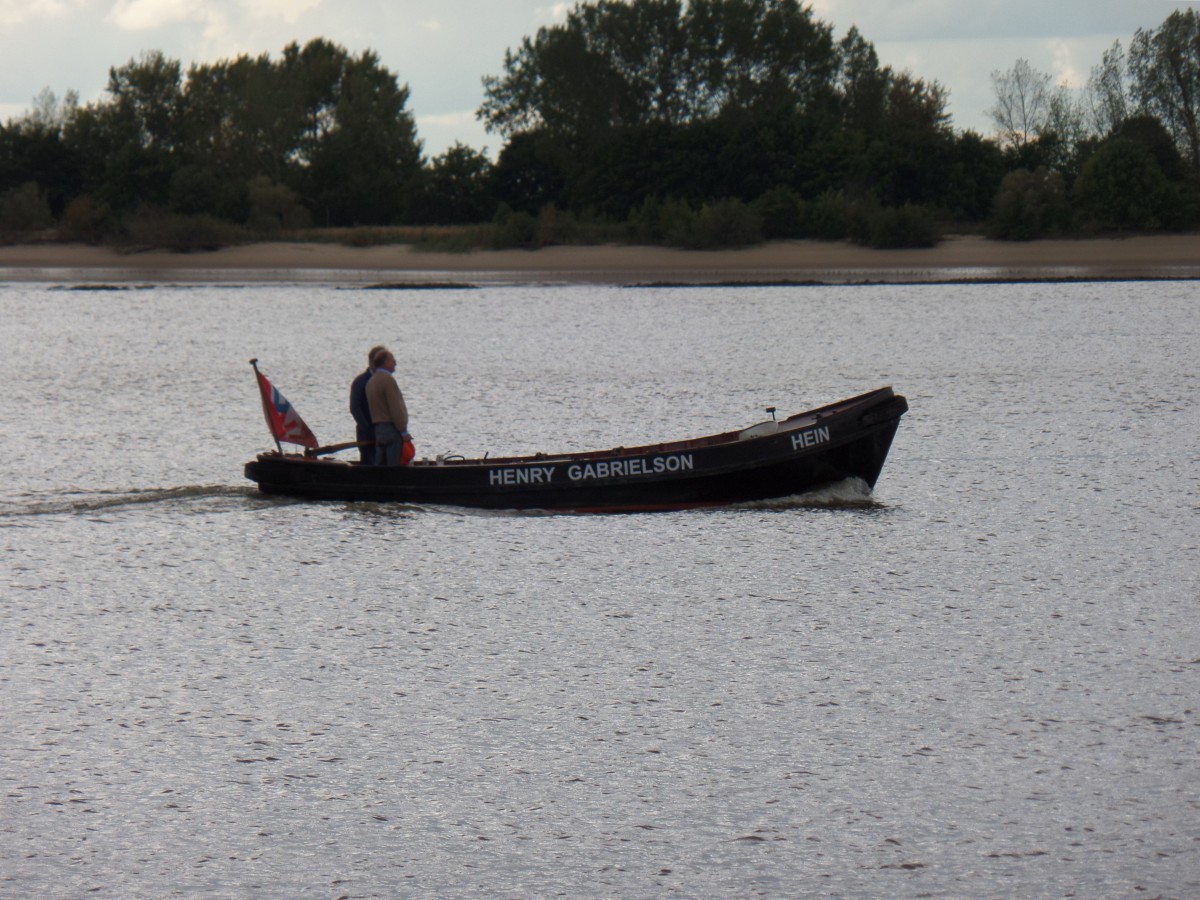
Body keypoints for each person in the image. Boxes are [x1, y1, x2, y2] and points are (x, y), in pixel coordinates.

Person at [365, 348, 414, 466]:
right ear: (386, 362)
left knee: (380, 465)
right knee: (394, 465)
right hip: (392, 430)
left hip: (378, 430)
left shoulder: (371, 382)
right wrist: (403, 431)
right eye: (393, 360)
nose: (395, 363)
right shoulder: (388, 380)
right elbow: (395, 408)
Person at [349, 345, 386, 463]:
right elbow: (355, 408)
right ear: (371, 362)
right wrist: (368, 429)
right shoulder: (361, 381)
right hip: (367, 434)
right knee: (369, 463)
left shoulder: (386, 380)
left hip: (385, 433)